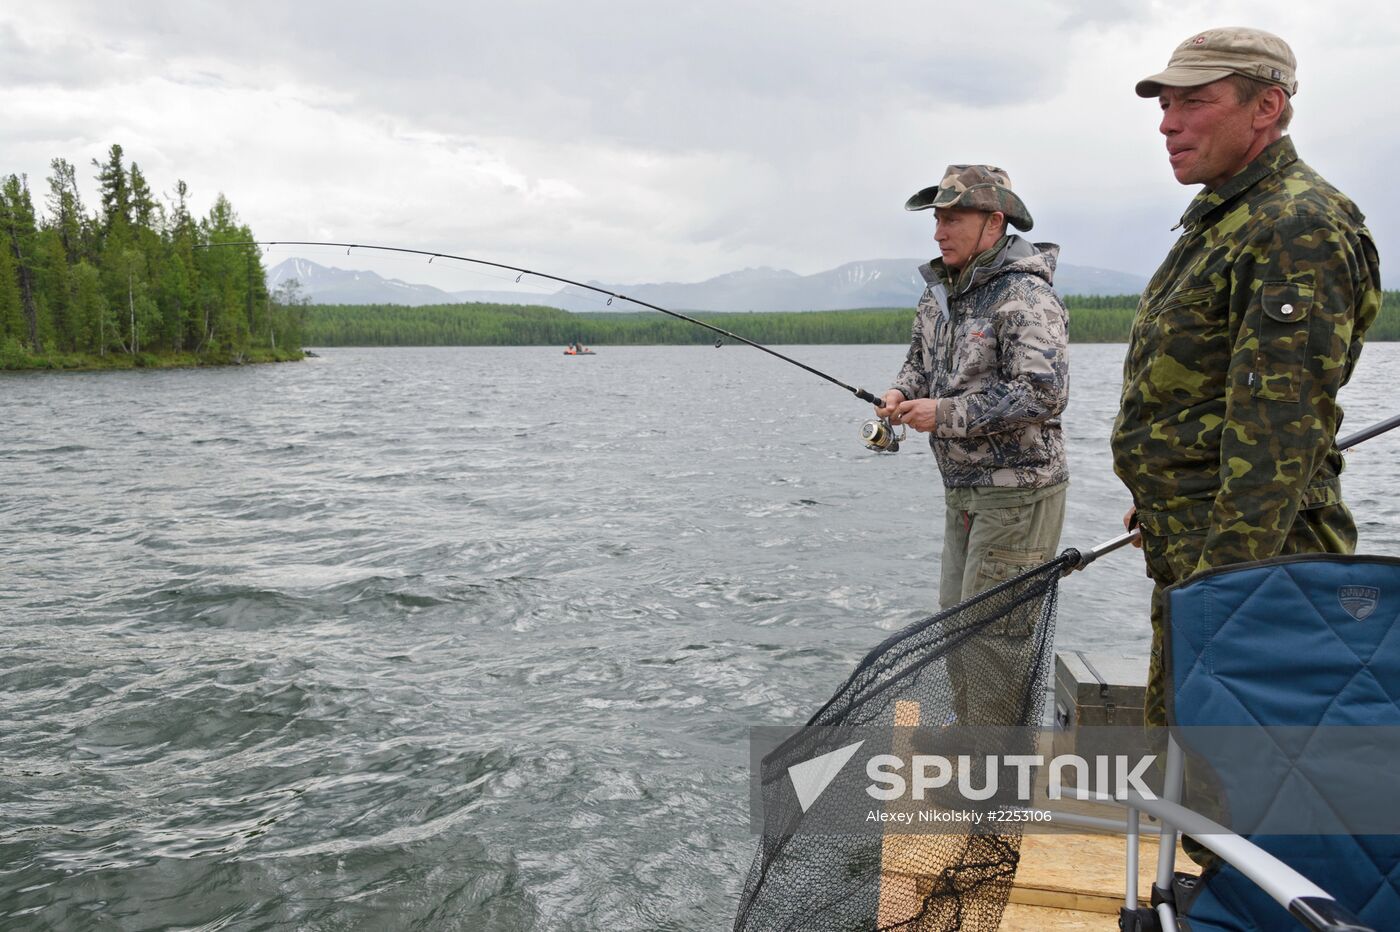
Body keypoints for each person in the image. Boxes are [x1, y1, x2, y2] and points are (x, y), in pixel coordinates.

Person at [1110, 27, 1382, 734]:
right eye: (1165, 105)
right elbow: (1204, 394)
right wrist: (1163, 497)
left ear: (1266, 107)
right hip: (1204, 551)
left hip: (1258, 572)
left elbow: (1278, 436)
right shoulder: (1226, 219)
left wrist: (1223, 595)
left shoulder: (1297, 226)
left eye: (1193, 102)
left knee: (1253, 790)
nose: (1169, 123)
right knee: (1201, 778)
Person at [876, 164, 1070, 724]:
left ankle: (993, 792)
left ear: (994, 222)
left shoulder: (1025, 296)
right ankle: (977, 767)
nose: (939, 231)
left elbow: (1043, 394)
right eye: (936, 218)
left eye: (952, 218)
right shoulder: (940, 295)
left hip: (1017, 499)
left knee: (995, 646)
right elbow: (919, 363)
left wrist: (944, 414)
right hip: (964, 494)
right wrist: (899, 392)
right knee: (959, 630)